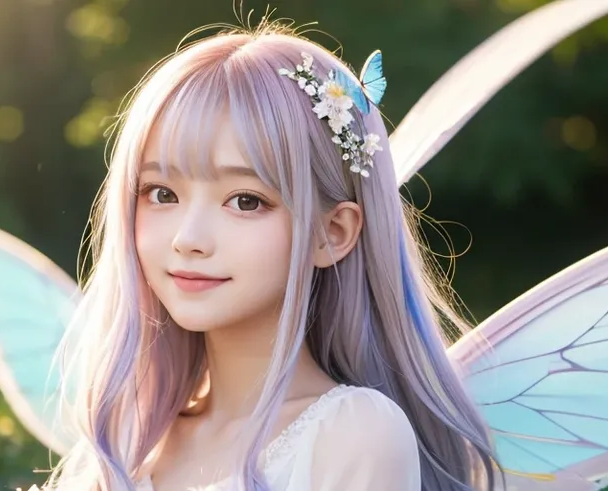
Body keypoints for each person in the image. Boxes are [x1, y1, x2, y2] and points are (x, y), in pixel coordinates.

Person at [42, 19, 498, 491]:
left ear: (332, 233)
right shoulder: (131, 441)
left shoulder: (353, 434)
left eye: (245, 201)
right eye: (161, 193)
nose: (188, 238)